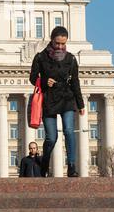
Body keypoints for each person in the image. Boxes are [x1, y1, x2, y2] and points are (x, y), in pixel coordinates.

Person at [30, 26, 85, 177]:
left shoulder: (71, 59)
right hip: (49, 99)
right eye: (57, 43)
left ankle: (72, 166)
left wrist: (80, 104)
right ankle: (45, 162)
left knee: (68, 131)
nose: (60, 47)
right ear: (52, 40)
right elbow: (32, 78)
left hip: (67, 98)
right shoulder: (40, 57)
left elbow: (75, 82)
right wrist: (43, 81)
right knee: (51, 137)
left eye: (63, 43)